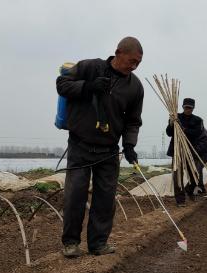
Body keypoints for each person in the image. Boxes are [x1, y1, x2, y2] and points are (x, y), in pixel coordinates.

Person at [56, 37, 144, 258]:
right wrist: (88, 86)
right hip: (80, 144)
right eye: (131, 61)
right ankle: (70, 243)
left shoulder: (135, 86)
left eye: (138, 63)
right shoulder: (90, 67)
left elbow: (133, 120)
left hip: (109, 149)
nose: (133, 66)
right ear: (118, 53)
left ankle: (98, 244)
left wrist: (130, 144)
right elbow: (62, 84)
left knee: (105, 199)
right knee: (75, 195)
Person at [166, 98, 203, 207]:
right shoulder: (176, 117)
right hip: (177, 151)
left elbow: (197, 133)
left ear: (193, 108)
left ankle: (189, 191)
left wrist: (183, 129)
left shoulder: (198, 120)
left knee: (194, 174)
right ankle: (180, 200)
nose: (188, 109)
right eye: (186, 107)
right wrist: (172, 124)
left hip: (190, 151)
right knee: (177, 176)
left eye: (190, 108)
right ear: (183, 107)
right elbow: (169, 133)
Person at [192, 127, 207, 194]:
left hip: (204, 156)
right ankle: (198, 187)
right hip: (197, 155)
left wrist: (191, 149)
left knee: (198, 169)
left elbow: (200, 148)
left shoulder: (205, 135)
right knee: (195, 170)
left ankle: (201, 189)